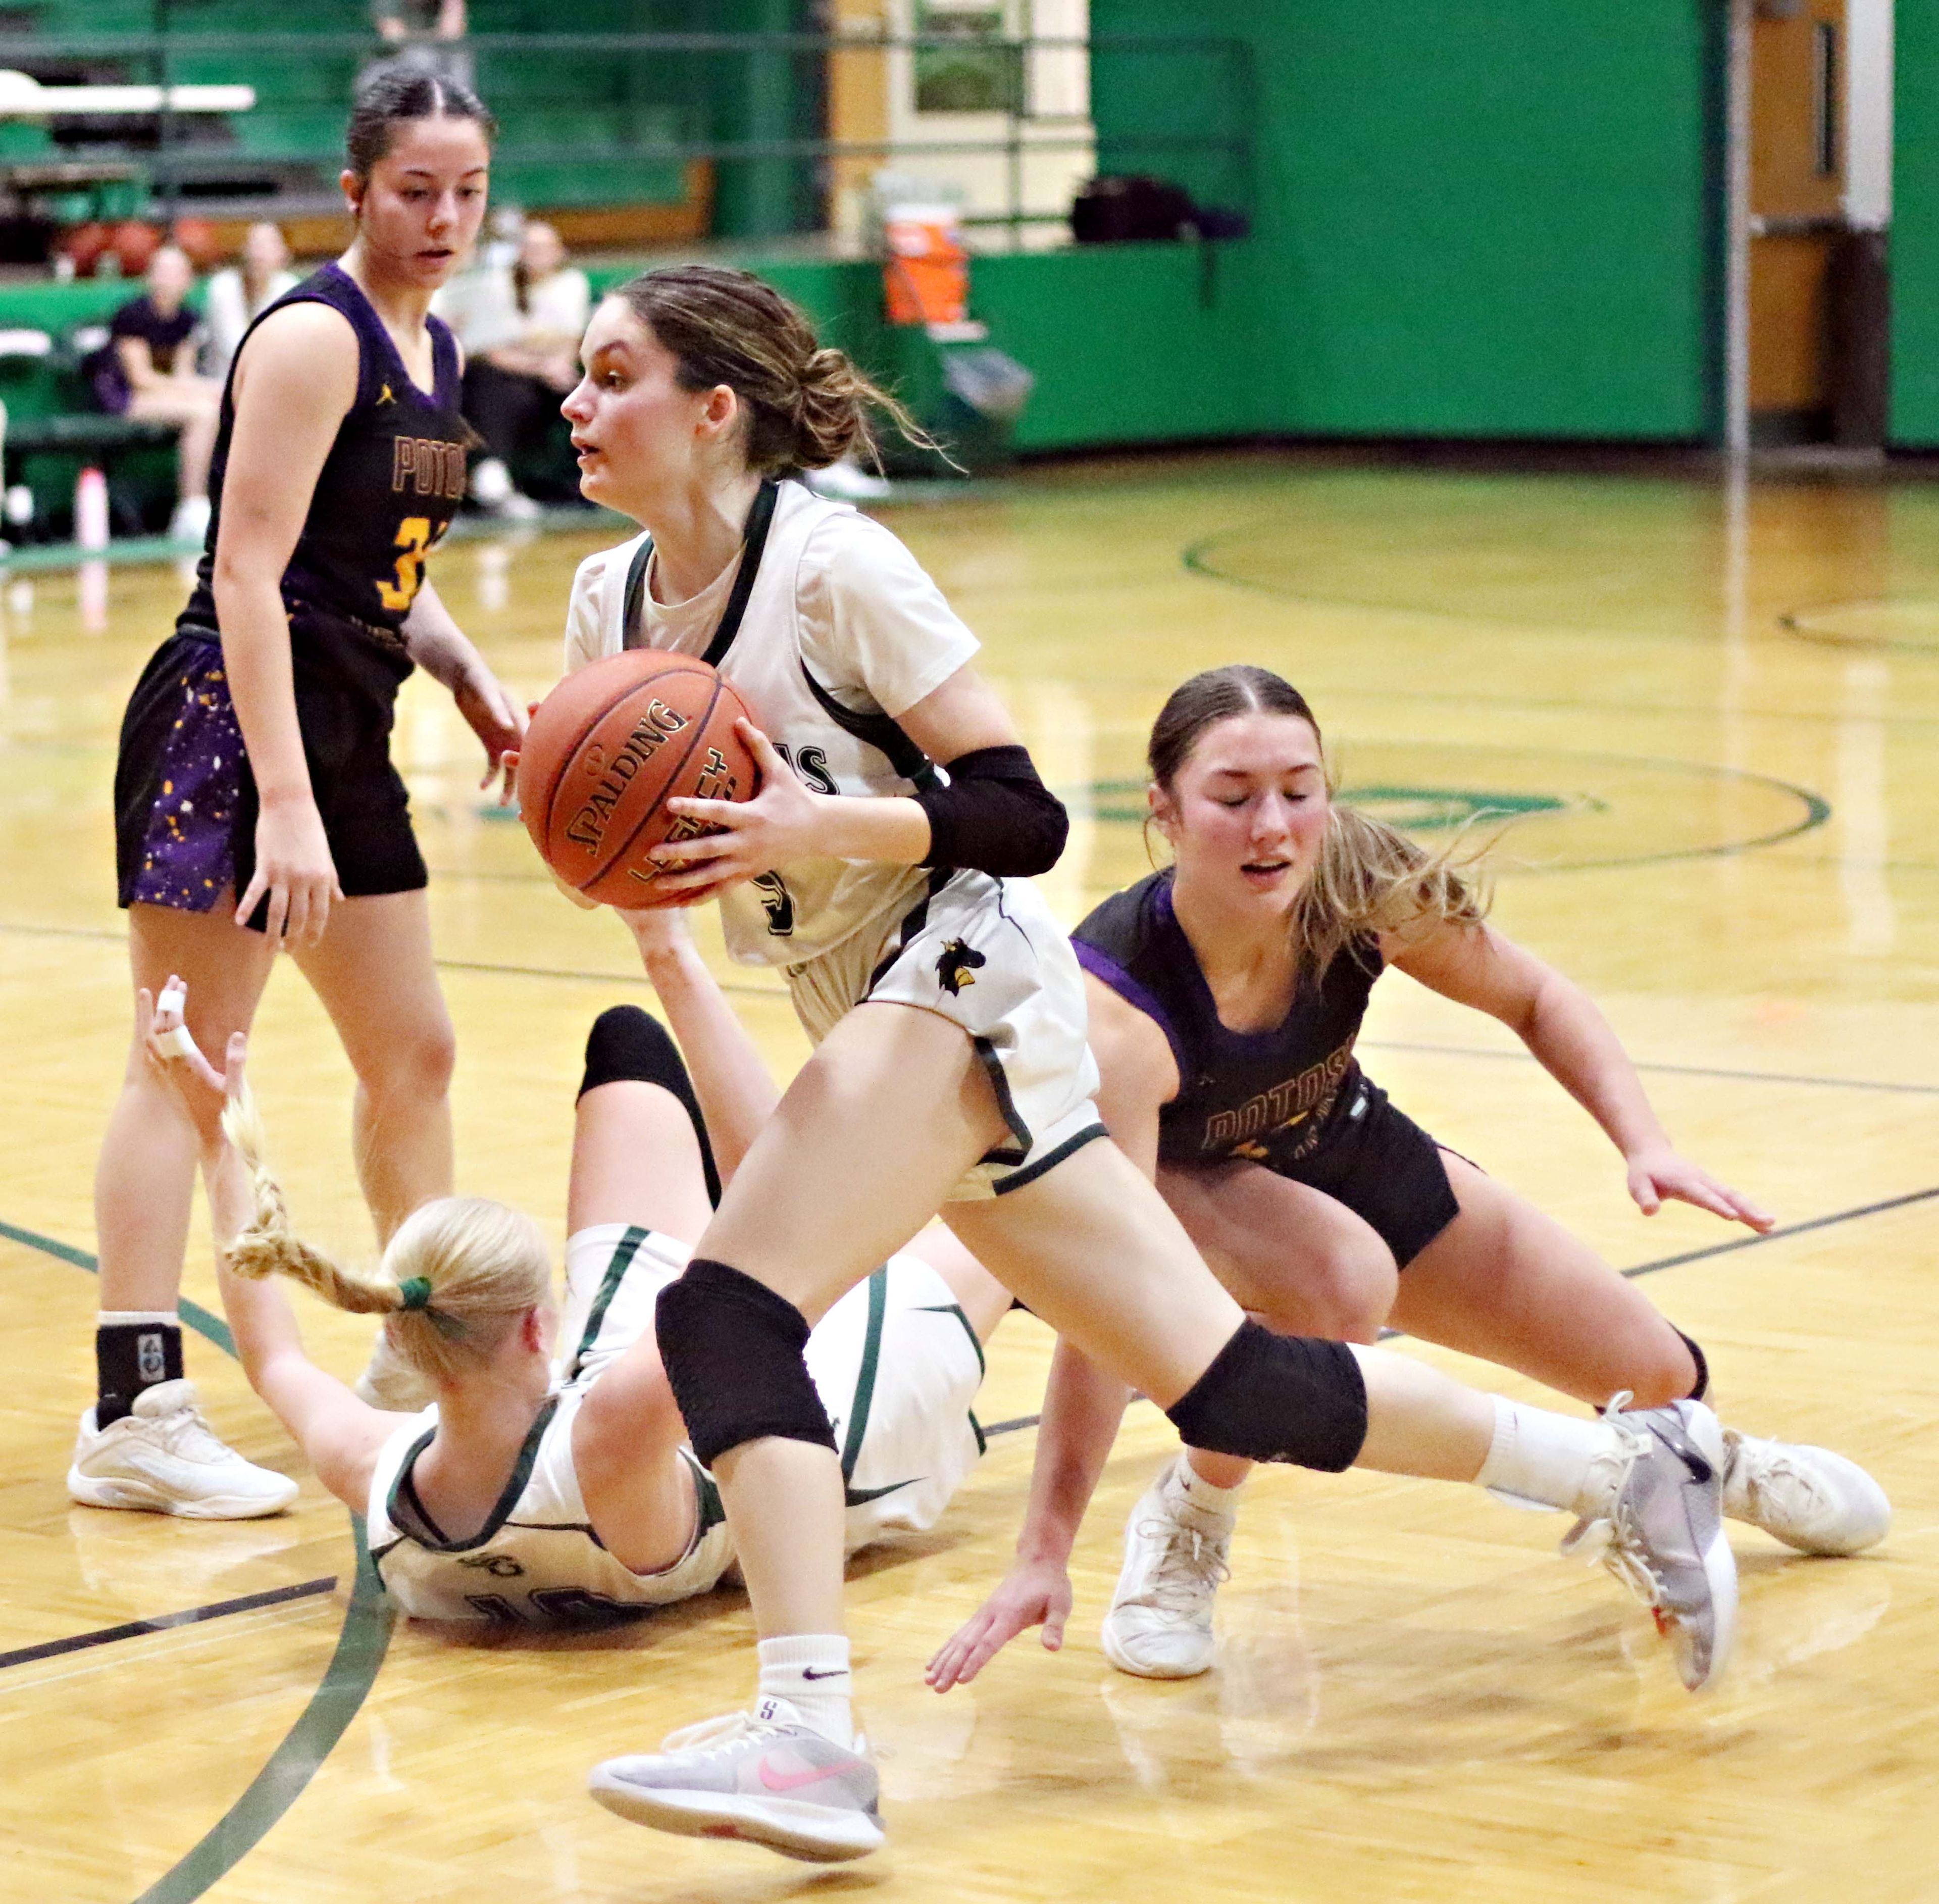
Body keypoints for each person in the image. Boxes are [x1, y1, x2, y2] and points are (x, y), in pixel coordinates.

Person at [547, 265, 1737, 1864]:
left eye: (610, 374)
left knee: (723, 1303)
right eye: (575, 375)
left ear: (714, 408)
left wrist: (828, 825)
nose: (572, 401)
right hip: (867, 1002)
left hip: (963, 972)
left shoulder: (834, 568)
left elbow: (1024, 811)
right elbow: (665, 836)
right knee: (1228, 1374)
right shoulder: (603, 609)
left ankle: (807, 1726)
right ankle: (1617, 1467)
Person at [934, 665, 1892, 1687]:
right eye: (1234, 796)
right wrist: (1044, 1545)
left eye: (1300, 790)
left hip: (1337, 1139)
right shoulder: (1119, 1012)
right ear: (1164, 810)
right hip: (1177, 1186)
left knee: (1653, 1375)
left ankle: (1695, 1464)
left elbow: (1534, 994)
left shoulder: (1355, 881)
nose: (1273, 826)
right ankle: (1192, 1516)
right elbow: (1106, 1295)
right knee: (1338, 1275)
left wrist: (1643, 1139)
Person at [140, 912, 1007, 1753]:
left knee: (628, 1050)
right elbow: (785, 1200)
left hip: (625, 1382)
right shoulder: (612, 1432)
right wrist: (665, 945)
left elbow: (274, 1355)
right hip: (839, 1414)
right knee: (1012, 1191)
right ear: (535, 1329)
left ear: (403, 1338)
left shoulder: (379, 1472)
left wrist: (222, 1141)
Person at [73, 67, 522, 1522]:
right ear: (354, 189)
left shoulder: (435, 343)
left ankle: (427, 1345)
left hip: (349, 711)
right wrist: (280, 796)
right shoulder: (315, 336)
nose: (445, 216)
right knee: (189, 1057)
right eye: (415, 190)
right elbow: (250, 574)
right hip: (233, 720)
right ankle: (133, 1409)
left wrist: (457, 667)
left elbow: (378, 561)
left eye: (467, 190)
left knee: (422, 1054)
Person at [448, 219, 590, 516]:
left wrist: (558, 364)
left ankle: (583, 486)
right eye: (530, 248)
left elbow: (571, 341)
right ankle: (492, 478)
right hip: (512, 375)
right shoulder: (497, 286)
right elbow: (494, 351)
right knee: (494, 388)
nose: (537, 254)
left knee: (582, 392)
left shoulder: (571, 284)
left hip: (553, 373)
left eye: (545, 248)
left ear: (559, 252)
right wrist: (541, 366)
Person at [90, 242, 221, 542]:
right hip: (121, 396)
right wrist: (196, 391)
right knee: (203, 414)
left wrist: (207, 388)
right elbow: (141, 378)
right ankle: (192, 506)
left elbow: (182, 375)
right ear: (149, 277)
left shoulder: (189, 319)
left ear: (188, 279)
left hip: (161, 396)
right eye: (161, 270)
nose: (167, 278)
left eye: (175, 271)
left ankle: (201, 506)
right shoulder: (132, 315)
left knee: (212, 406)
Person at [201, 223, 300, 384]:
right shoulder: (223, 287)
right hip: (221, 384)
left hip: (273, 383)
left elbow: (291, 349)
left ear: (284, 254)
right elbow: (232, 349)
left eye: (269, 245)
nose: (260, 253)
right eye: (255, 245)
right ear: (245, 251)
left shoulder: (290, 287)